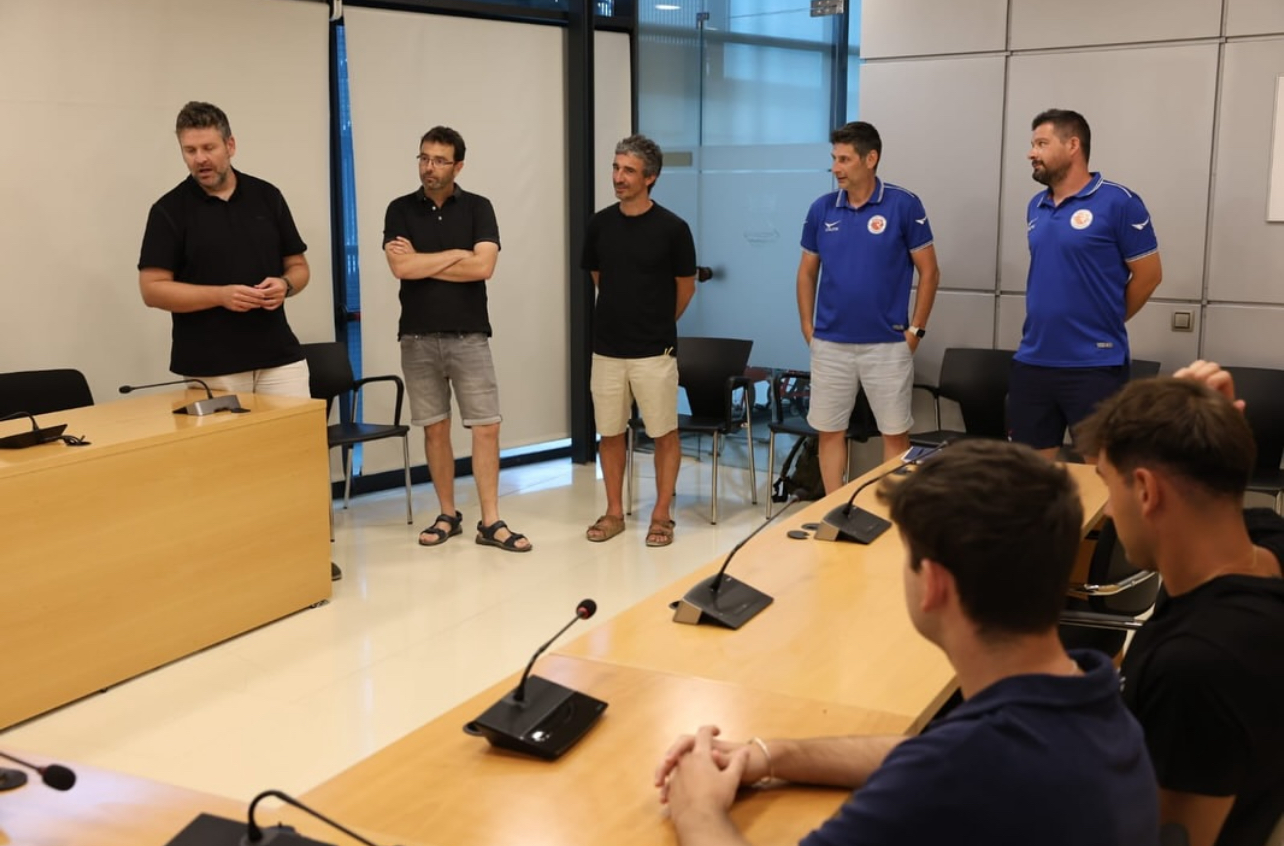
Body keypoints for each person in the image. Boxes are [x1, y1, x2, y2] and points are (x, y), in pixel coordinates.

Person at [654, 439, 1159, 846]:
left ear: (934, 584)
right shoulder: (1091, 696)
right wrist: (769, 755)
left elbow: (941, 764)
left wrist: (698, 808)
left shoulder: (952, 776)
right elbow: (925, 750)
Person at [1075, 362, 1284, 846]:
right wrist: (1210, 429)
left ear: (1147, 490)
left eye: (1110, 487)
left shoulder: (1193, 669)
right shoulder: (1265, 545)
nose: (1110, 511)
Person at [138, 101, 341, 581]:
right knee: (225, 469)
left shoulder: (267, 197)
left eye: (208, 148)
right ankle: (236, 563)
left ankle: (307, 549)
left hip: (279, 358)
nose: (200, 159)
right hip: (212, 366)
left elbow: (299, 267)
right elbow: (152, 289)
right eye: (189, 150)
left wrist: (285, 286)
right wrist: (219, 296)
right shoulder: (169, 210)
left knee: (296, 458)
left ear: (230, 145)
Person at [383, 126, 531, 553]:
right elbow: (401, 269)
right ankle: (447, 514)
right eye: (424, 158)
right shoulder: (400, 209)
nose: (429, 167)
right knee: (435, 429)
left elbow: (483, 267)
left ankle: (491, 521)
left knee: (486, 427)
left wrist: (423, 261)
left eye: (439, 160)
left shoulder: (478, 208)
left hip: (469, 336)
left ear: (458, 166)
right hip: (417, 337)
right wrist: (455, 255)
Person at [1011, 108, 1162, 460]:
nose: (1031, 153)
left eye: (1041, 143)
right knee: (1027, 474)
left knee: (1103, 471)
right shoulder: (1036, 206)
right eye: (1032, 144)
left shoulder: (1120, 202)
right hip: (1033, 360)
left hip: (1094, 365)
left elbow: (1149, 275)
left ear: (1073, 145)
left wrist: (1107, 318)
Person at [797, 121, 940, 492]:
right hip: (830, 343)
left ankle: (891, 509)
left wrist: (916, 331)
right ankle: (831, 506)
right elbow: (806, 273)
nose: (836, 168)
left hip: (888, 344)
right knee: (830, 431)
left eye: (844, 159)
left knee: (894, 433)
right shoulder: (822, 209)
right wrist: (808, 329)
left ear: (870, 158)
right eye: (834, 158)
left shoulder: (904, 204)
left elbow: (929, 271)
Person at [581, 134, 696, 548]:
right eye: (616, 168)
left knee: (664, 432)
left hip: (654, 350)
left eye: (628, 170)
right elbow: (599, 278)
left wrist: (657, 322)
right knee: (610, 433)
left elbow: (685, 288)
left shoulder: (673, 229)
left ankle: (662, 514)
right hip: (607, 349)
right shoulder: (599, 225)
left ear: (650, 177)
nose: (618, 177)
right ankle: (614, 511)